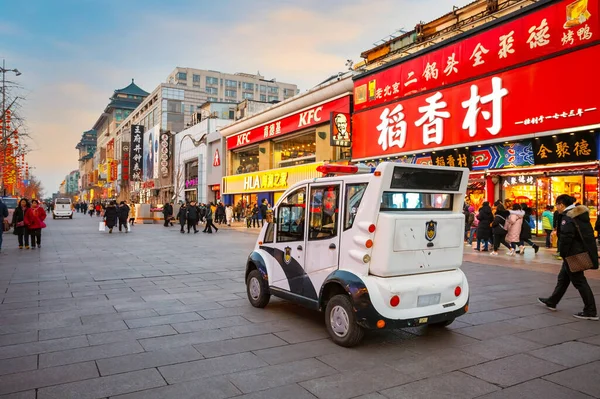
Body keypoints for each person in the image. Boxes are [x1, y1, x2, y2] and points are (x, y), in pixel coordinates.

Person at [539, 194, 598, 321]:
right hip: (577, 251)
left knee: (579, 281)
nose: (557, 208)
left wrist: (562, 253)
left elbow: (566, 237)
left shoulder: (569, 217)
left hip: (573, 254)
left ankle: (590, 310)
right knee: (563, 278)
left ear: (561, 204)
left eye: (557, 205)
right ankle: (552, 301)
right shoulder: (579, 214)